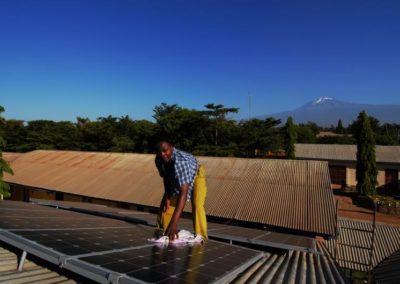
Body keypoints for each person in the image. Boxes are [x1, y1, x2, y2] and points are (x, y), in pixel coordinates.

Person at [155, 139, 208, 242]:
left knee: (197, 204)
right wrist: (167, 196)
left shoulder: (181, 162)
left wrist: (174, 224)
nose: (162, 154)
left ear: (172, 147)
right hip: (175, 175)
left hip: (196, 174)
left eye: (165, 151)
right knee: (167, 205)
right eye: (159, 152)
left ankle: (201, 237)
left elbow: (183, 193)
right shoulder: (159, 160)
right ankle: (165, 232)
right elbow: (166, 177)